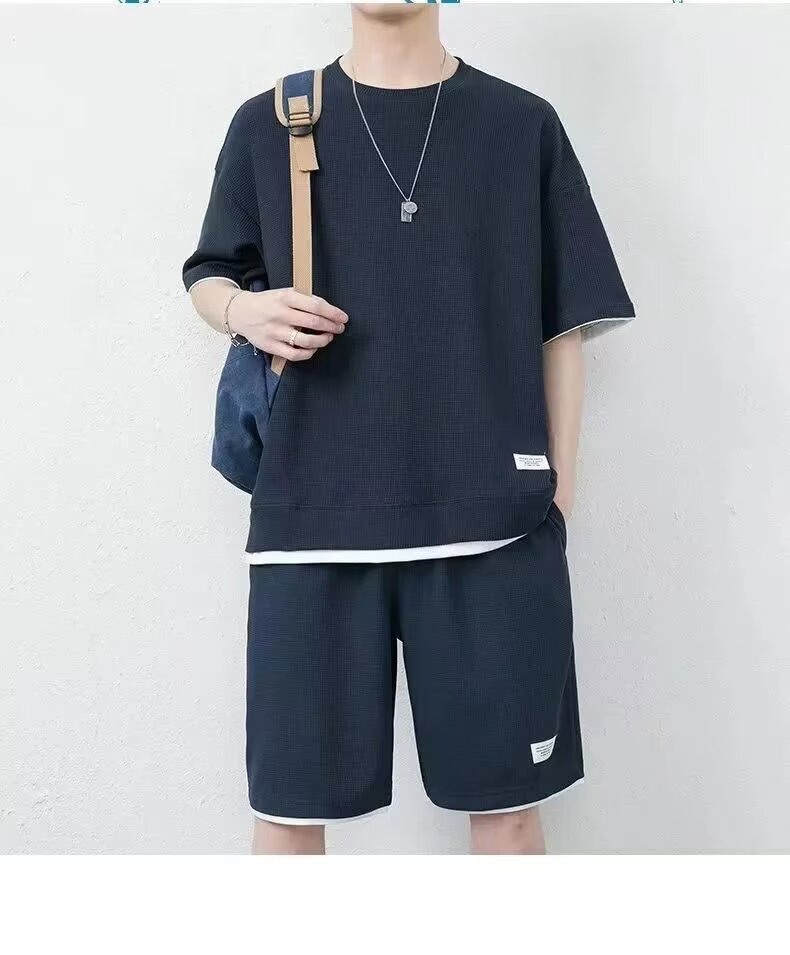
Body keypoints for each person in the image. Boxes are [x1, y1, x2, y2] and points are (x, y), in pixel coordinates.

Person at [183, 3, 634, 855]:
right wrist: (244, 310)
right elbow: (210, 273)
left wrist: (558, 496)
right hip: (311, 527)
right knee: (286, 814)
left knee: (510, 815)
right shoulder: (270, 122)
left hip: (496, 525)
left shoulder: (521, 125)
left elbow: (562, 325)